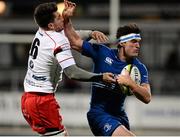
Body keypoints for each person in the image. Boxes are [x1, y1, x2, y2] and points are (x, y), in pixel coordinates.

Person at [21, 2, 116, 136]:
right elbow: (72, 73)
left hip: (30, 97)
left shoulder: (43, 30)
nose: (62, 18)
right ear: (51, 25)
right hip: (40, 100)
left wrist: (91, 33)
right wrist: (100, 77)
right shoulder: (57, 41)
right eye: (59, 17)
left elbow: (68, 35)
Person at [63, 0, 152, 136]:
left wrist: (131, 84)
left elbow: (147, 97)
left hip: (120, 116)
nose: (138, 46)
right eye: (133, 42)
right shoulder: (103, 53)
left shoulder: (140, 67)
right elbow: (74, 41)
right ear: (122, 43)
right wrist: (66, 18)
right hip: (99, 114)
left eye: (139, 42)